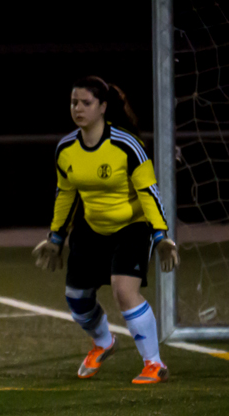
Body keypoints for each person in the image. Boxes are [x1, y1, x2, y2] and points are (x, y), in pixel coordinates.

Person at [32, 76, 180, 384]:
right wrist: (55, 237)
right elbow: (66, 196)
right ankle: (103, 343)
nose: (78, 109)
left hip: (131, 227)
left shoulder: (127, 145)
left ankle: (154, 364)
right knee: (76, 298)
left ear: (102, 107)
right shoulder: (66, 149)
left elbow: (149, 193)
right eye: (74, 102)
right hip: (91, 228)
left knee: (124, 292)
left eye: (86, 103)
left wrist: (160, 235)